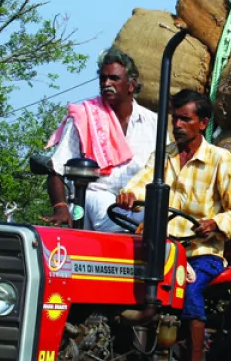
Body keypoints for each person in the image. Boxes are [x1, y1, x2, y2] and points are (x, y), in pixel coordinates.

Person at [115, 89, 231, 361]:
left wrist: (215, 223)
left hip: (201, 253)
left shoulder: (221, 160)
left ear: (203, 123)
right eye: (175, 119)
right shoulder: (165, 156)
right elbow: (142, 181)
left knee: (188, 289)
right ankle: (125, 355)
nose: (178, 125)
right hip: (161, 249)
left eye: (186, 119)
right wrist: (129, 195)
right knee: (120, 279)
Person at [42, 49, 158, 232]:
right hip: (95, 198)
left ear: (131, 85)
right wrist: (60, 207)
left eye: (114, 78)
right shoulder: (84, 117)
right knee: (113, 221)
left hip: (138, 203)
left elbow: (169, 172)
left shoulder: (153, 124)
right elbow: (56, 168)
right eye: (103, 79)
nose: (106, 84)